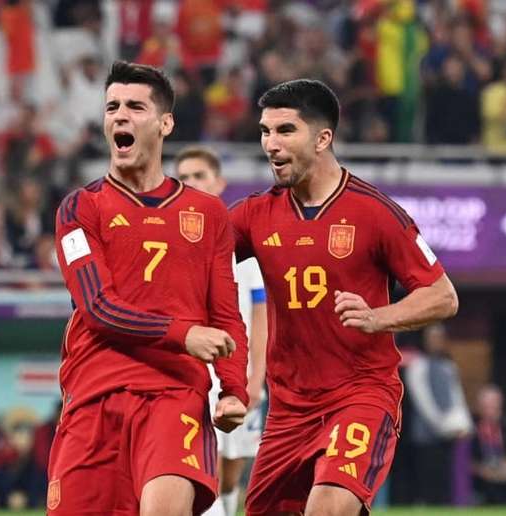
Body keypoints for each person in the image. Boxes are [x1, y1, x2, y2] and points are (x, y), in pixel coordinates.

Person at [229, 79, 459, 516]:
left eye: (285, 131)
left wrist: (379, 317)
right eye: (265, 132)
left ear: (323, 138)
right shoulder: (254, 214)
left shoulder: (374, 212)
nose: (270, 145)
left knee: (328, 506)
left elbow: (442, 295)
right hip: (288, 411)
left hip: (360, 395)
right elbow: (192, 258)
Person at [48, 60, 249, 516]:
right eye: (112, 106)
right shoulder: (80, 208)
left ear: (165, 123)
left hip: (174, 394)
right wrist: (184, 334)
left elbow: (225, 314)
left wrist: (233, 388)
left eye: (135, 107)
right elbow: (98, 307)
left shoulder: (209, 214)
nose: (120, 115)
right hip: (93, 396)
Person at [175, 146, 268, 516]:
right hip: (194, 370)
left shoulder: (239, 241)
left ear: (219, 183)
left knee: (231, 474)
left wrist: (256, 377)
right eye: (183, 177)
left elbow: (260, 313)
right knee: (202, 467)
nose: (191, 183)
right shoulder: (173, 237)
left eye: (199, 175)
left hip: (237, 370)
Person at [404, 323, 472, 504]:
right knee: (428, 480)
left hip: (449, 432)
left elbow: (457, 398)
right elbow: (423, 402)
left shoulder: (448, 366)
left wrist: (463, 424)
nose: (436, 342)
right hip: (426, 435)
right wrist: (442, 426)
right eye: (432, 338)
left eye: (439, 338)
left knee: (446, 481)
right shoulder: (418, 365)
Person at [470, 384, 506, 505]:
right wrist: (482, 471)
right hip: (478, 487)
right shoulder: (470, 428)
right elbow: (466, 462)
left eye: (494, 404)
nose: (490, 409)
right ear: (479, 406)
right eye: (486, 405)